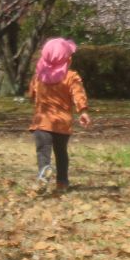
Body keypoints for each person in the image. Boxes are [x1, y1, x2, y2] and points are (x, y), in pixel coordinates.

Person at [28, 37, 91, 192]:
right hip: (62, 123)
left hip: (42, 122)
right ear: (67, 59)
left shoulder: (39, 77)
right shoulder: (70, 77)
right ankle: (62, 182)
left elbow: (32, 94)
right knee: (61, 152)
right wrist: (83, 111)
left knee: (43, 150)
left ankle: (44, 172)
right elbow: (78, 94)